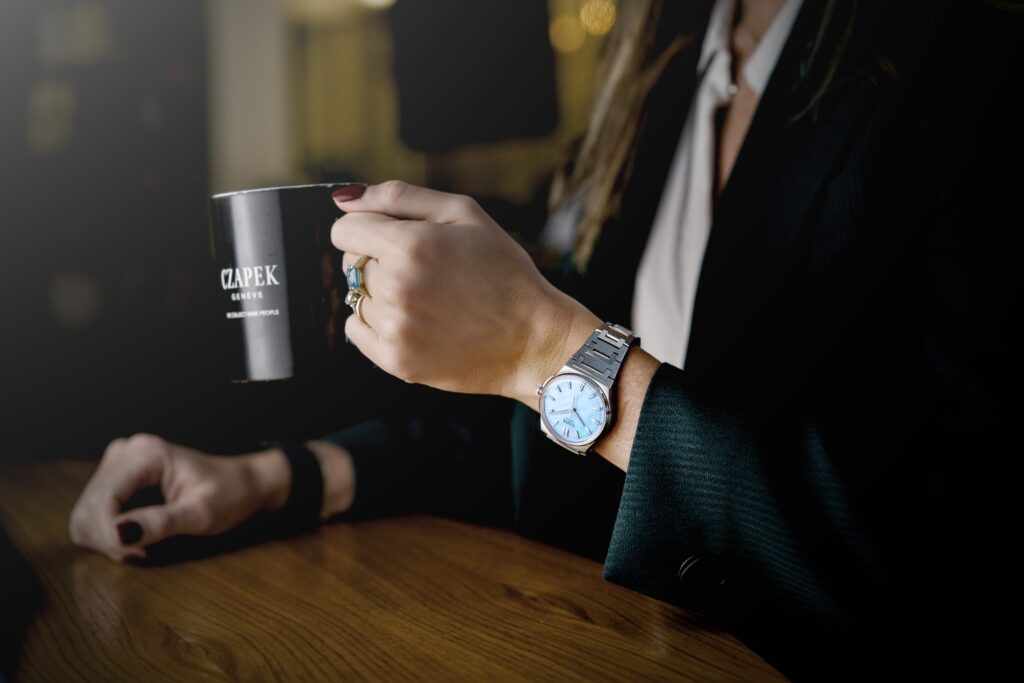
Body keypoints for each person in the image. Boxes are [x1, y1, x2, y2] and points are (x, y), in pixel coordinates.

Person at [69, 0, 1022, 678]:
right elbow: (553, 429)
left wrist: (552, 344)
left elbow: (937, 542)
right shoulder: (659, 76)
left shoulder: (973, 67)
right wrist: (276, 477)